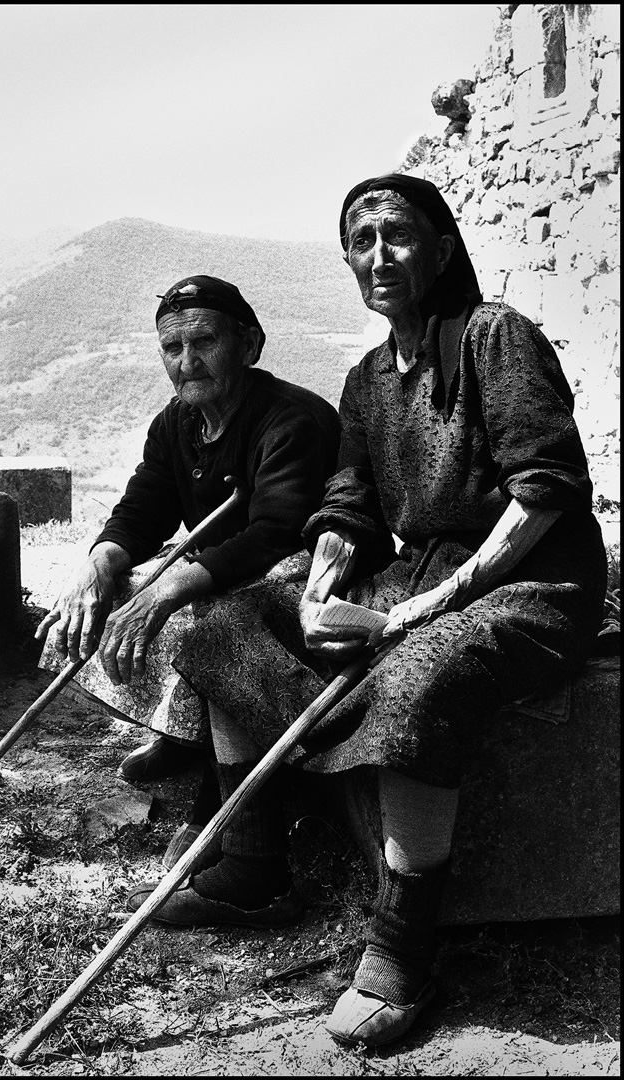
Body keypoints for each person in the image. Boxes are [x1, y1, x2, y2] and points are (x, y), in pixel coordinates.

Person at [125, 176, 607, 1049]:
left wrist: (428, 606)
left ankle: (402, 946)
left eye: (397, 235)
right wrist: (318, 594)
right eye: (360, 241)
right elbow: (346, 508)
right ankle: (254, 868)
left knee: (414, 675)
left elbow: (544, 489)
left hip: (529, 584)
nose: (377, 257)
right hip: (414, 575)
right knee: (226, 625)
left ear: (441, 248)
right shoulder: (367, 379)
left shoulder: (494, 336)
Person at [36, 274, 341, 862]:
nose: (187, 362)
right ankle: (180, 730)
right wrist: (96, 567)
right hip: (223, 570)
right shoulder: (177, 422)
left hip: (292, 575)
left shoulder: (291, 420)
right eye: (172, 348)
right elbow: (140, 513)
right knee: (101, 597)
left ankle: (221, 793)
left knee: (191, 620)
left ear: (249, 345)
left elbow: (276, 533)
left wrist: (169, 588)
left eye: (204, 342)